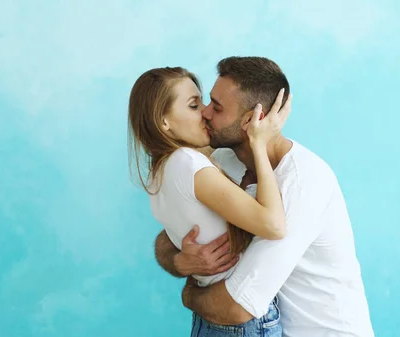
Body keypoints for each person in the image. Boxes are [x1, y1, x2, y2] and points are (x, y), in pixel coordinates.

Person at [155, 56, 375, 337]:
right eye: (207, 102)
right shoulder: (224, 160)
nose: (206, 113)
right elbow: (170, 232)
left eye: (217, 107)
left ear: (252, 120)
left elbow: (237, 307)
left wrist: (189, 296)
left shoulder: (304, 182)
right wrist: (179, 261)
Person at [128, 65, 292, 336]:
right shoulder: (188, 163)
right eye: (194, 106)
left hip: (210, 316)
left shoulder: (159, 172)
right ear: (163, 121)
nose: (205, 112)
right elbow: (274, 226)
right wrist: (260, 144)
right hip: (243, 320)